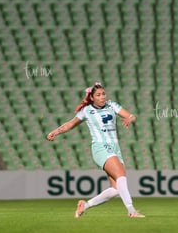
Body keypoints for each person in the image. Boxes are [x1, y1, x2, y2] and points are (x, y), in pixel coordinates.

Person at [46, 82, 145, 218]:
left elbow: (131, 116)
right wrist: (56, 132)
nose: (102, 97)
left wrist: (130, 119)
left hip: (115, 148)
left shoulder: (111, 105)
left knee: (116, 189)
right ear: (92, 98)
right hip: (100, 147)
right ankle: (132, 211)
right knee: (121, 175)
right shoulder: (87, 111)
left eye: (103, 94)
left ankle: (84, 205)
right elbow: (70, 124)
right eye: (98, 95)